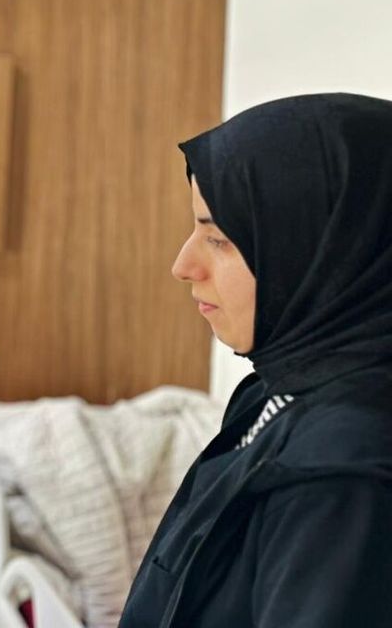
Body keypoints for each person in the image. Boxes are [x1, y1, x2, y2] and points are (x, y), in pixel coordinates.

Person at [120, 93, 392, 627]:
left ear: (321, 250)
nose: (183, 264)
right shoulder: (273, 391)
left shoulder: (340, 477)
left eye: (219, 238)